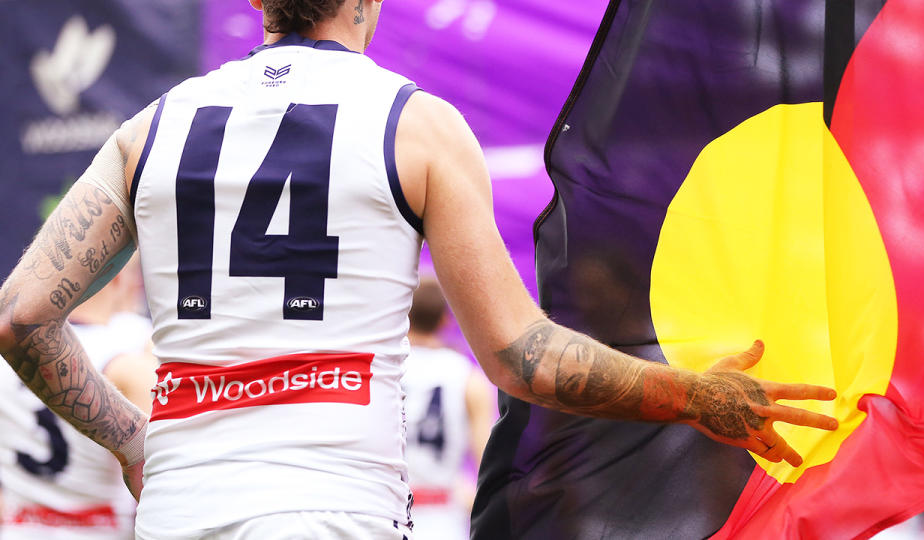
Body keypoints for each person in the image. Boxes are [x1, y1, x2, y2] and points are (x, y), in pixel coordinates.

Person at [0, 0, 840, 537]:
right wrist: (694, 394)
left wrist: (133, 440)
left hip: (184, 509)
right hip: (336, 510)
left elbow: (22, 315)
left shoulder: (152, 127)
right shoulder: (416, 125)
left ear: (255, 4)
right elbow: (521, 356)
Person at [0, 267, 155, 539]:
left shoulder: (5, 357)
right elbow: (157, 474)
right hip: (103, 532)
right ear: (116, 277)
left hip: (18, 530)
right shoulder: (131, 358)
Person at [402, 279, 494, 540]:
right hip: (442, 515)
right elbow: (487, 461)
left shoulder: (381, 369)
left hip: (384, 511)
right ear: (445, 320)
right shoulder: (467, 377)